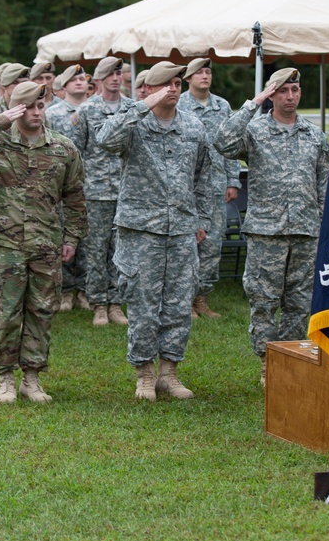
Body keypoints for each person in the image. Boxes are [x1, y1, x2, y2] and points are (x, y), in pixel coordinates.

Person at [0, 81, 87, 404]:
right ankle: (5, 377)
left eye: (41, 106)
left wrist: (72, 238)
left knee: (41, 310)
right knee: (6, 311)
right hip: (3, 242)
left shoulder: (62, 148)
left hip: (45, 242)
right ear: (16, 108)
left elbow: (75, 197)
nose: (37, 113)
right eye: (29, 107)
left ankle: (32, 377)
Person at [97, 61, 212, 401]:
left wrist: (200, 220)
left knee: (177, 303)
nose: (174, 89)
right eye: (166, 84)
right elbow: (106, 139)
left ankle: (169, 372)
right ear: (148, 89)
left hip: (180, 229)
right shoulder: (134, 123)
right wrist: (141, 106)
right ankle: (144, 374)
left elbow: (203, 176)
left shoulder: (192, 127)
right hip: (140, 230)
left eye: (178, 82)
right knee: (143, 303)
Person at [215, 68, 329, 387]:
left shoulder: (313, 134)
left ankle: (291, 360)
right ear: (272, 95)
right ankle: (268, 361)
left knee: (299, 302)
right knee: (264, 300)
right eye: (283, 91)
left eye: (295, 90)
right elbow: (223, 143)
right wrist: (252, 104)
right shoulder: (255, 131)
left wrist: (323, 226)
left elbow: (325, 182)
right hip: (267, 231)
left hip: (306, 231)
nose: (290, 96)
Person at [71, 56, 133, 327]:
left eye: (118, 73)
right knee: (96, 250)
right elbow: (75, 153)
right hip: (95, 192)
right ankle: (98, 303)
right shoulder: (86, 110)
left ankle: (116, 302)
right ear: (97, 80)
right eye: (109, 74)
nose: (115, 78)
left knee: (121, 250)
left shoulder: (133, 108)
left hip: (127, 191)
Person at [179, 58, 241, 318]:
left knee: (213, 244)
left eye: (208, 72)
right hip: (187, 187)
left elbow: (231, 144)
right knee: (186, 244)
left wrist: (232, 180)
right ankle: (184, 299)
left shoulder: (221, 105)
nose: (204, 76)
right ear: (188, 78)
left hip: (215, 186)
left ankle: (201, 297)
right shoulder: (180, 104)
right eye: (198, 72)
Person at [46, 64, 92, 312]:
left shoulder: (95, 110)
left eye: (82, 78)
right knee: (63, 236)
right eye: (72, 79)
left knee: (88, 239)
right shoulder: (52, 114)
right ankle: (65, 291)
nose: (79, 82)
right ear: (63, 86)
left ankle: (85, 290)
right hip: (61, 184)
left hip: (92, 184)